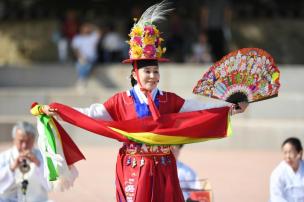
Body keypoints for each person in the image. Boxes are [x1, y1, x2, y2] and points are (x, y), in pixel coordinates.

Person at [40, 2, 248, 201]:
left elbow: (198, 109)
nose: (152, 76)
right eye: (147, 71)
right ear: (135, 73)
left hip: (164, 166)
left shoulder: (169, 99)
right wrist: (61, 111)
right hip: (133, 167)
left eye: (156, 71)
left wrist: (230, 108)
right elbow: (92, 113)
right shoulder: (121, 101)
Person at [0, 121, 50, 202]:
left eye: (28, 141)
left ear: (34, 140)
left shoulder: (43, 157)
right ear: (14, 140)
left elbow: (50, 186)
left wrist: (38, 164)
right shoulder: (4, 157)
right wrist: (11, 168)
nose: (24, 146)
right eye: (21, 141)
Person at [269, 137, 304, 202]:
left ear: (299, 153)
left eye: (290, 152)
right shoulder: (278, 172)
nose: (287, 156)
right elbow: (276, 197)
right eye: (285, 153)